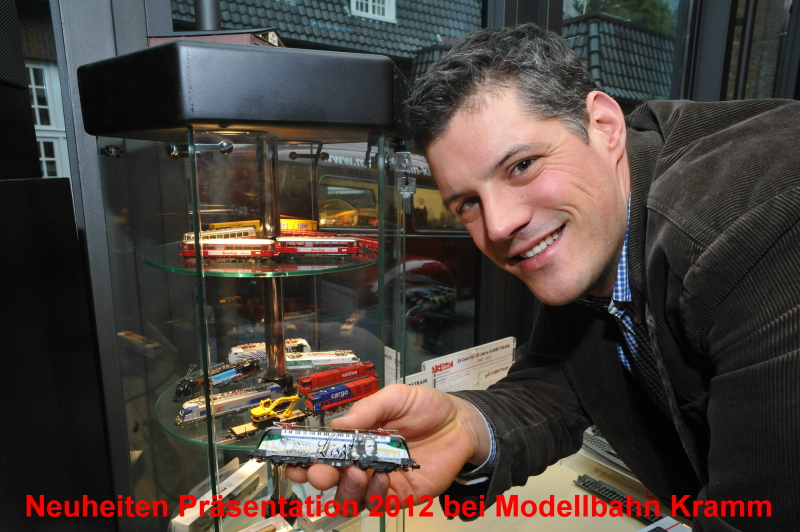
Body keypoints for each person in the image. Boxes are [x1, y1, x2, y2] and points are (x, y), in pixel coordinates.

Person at [287, 24, 800, 530]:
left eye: (522, 165)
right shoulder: (593, 227)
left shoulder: (754, 226)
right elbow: (557, 383)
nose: (499, 225)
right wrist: (465, 425)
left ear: (604, 125)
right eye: (467, 203)